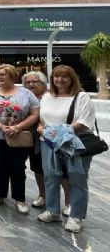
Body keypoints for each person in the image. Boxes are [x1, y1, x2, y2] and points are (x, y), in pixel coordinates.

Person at [37, 65, 95, 233]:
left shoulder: (81, 96)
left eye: (64, 77)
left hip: (74, 143)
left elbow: (84, 121)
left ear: (72, 79)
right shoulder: (47, 96)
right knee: (50, 176)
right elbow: (42, 119)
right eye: (56, 76)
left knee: (77, 179)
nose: (59, 80)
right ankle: (52, 210)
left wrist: (57, 133)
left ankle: (76, 216)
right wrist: (42, 130)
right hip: (48, 142)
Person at [0, 64, 39, 213]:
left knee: (18, 167)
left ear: (12, 76)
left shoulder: (26, 93)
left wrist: (18, 127)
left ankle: (20, 198)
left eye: (3, 74)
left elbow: (35, 113)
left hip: (18, 136)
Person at [22, 71, 71, 212]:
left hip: (54, 138)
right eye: (28, 82)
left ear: (44, 83)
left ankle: (68, 202)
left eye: (35, 82)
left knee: (62, 171)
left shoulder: (51, 97)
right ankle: (43, 196)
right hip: (33, 139)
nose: (31, 84)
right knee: (38, 168)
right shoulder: (25, 97)